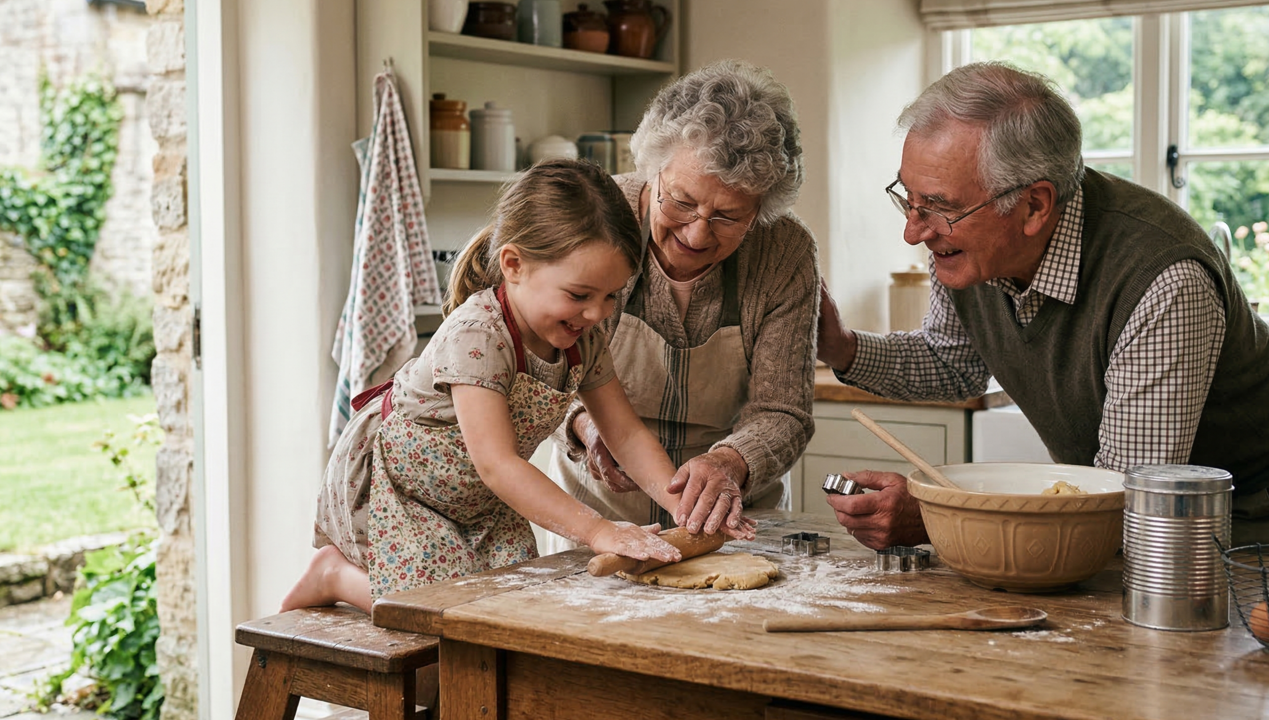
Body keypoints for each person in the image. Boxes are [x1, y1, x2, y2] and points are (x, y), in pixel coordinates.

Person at [817, 61, 1269, 549]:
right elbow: (954, 363)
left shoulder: (1163, 279)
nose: (914, 231)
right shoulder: (970, 247)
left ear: (1034, 206)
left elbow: (1126, 500)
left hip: (1238, 532)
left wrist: (936, 517)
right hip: (1127, 530)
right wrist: (840, 347)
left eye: (939, 207)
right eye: (909, 199)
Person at [281, 159, 753, 614]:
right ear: (513, 264)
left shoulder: (582, 338)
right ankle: (334, 576)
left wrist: (687, 512)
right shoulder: (479, 335)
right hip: (412, 492)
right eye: (579, 295)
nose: (597, 313)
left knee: (515, 603)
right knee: (439, 609)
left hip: (481, 503)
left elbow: (625, 434)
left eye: (611, 296)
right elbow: (498, 464)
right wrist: (598, 530)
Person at [543, 60, 820, 554]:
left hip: (727, 525)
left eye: (729, 217)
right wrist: (586, 425)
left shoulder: (784, 252)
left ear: (762, 210)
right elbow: (537, 370)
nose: (696, 233)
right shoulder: (593, 219)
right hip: (596, 517)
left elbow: (784, 411)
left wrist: (730, 463)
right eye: (681, 202)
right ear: (653, 169)